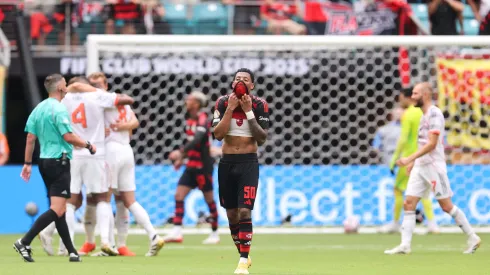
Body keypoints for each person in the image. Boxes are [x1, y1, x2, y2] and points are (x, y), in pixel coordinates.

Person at [384, 83, 481, 255]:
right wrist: (414, 163)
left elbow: (432, 144)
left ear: (425, 95)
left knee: (446, 206)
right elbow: (422, 143)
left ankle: (472, 237)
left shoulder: (435, 114)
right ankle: (405, 245)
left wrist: (409, 158)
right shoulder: (423, 115)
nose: (412, 97)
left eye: (415, 94)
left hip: (434, 167)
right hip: (421, 166)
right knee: (409, 202)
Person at [78, 72, 164, 257]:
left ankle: (109, 245)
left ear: (106, 84)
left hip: (111, 151)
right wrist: (124, 127)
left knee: (104, 198)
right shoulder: (118, 99)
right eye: (93, 84)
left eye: (98, 84)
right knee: (127, 200)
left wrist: (117, 128)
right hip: (127, 150)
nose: (96, 88)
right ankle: (153, 235)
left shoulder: (101, 101)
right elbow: (134, 122)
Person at [46, 76, 134, 257]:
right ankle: (106, 242)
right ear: (87, 85)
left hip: (72, 154)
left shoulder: (64, 98)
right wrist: (95, 90)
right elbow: (127, 99)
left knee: (70, 201)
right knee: (102, 198)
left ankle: (66, 245)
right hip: (96, 152)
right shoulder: (97, 96)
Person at [14, 74, 91, 262]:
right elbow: (68, 137)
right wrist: (88, 144)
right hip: (59, 161)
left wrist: (27, 163)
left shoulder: (38, 109)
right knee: (57, 209)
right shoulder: (59, 109)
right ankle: (25, 241)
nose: (67, 87)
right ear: (59, 88)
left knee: (60, 209)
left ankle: (72, 251)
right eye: (65, 84)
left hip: (44, 162)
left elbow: (30, 138)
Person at [212, 68, 270, 274]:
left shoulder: (260, 105)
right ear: (232, 83)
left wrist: (248, 112)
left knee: (245, 210)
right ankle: (243, 254)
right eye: (237, 79)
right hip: (227, 162)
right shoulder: (221, 103)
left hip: (248, 163)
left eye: (245, 79)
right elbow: (217, 135)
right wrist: (230, 109)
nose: (241, 82)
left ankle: (243, 260)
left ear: (252, 85)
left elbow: (262, 138)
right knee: (231, 215)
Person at [380, 88, 439, 234]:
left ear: (407, 98)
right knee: (424, 190)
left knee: (398, 189)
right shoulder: (425, 112)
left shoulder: (408, 114)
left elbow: (403, 139)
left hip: (409, 158)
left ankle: (394, 223)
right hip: (424, 156)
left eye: (401, 97)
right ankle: (432, 224)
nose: (400, 100)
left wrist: (394, 159)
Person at [164, 91, 220, 245]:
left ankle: (215, 233)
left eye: (189, 99)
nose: (186, 101)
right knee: (179, 196)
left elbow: (197, 140)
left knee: (209, 200)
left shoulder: (203, 119)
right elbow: (191, 143)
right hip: (191, 166)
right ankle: (176, 231)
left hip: (203, 167)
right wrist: (181, 159)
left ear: (196, 103)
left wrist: (179, 153)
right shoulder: (189, 120)